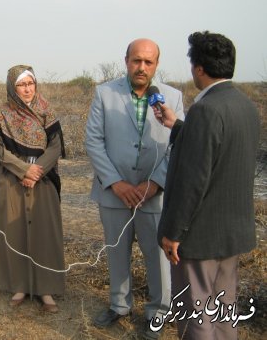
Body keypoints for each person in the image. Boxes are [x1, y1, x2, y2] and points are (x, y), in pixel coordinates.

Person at [154, 31, 260, 339]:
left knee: (195, 312)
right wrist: (178, 127)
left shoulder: (205, 110)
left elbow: (193, 180)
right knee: (223, 309)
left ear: (199, 69)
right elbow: (219, 150)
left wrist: (173, 232)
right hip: (232, 232)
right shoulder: (245, 105)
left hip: (200, 237)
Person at [85, 38, 184, 339]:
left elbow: (180, 144)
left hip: (154, 196)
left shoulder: (172, 97)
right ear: (126, 60)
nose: (141, 67)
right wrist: (116, 183)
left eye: (148, 62)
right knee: (116, 252)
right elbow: (93, 141)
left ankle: (158, 312)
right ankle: (119, 305)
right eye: (136, 60)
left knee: (158, 259)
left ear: (156, 64)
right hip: (114, 193)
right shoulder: (105, 93)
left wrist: (154, 184)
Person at [0, 64, 66, 313]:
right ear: (12, 87)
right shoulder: (0, 114)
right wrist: (23, 169)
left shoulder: (46, 110)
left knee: (45, 235)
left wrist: (36, 170)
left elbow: (56, 146)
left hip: (42, 180)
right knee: (14, 233)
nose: (27, 89)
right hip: (12, 180)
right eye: (21, 84)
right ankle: (18, 285)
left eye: (30, 83)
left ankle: (45, 289)